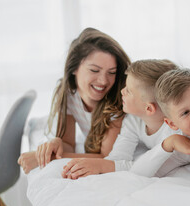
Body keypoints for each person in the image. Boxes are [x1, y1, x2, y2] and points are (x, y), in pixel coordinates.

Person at [18, 27, 131, 174]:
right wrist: (56, 144)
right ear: (74, 68)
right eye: (94, 70)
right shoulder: (69, 93)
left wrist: (46, 158)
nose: (103, 81)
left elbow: (106, 157)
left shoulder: (119, 100)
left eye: (112, 72)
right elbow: (68, 144)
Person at [61, 59, 182, 179]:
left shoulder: (174, 131)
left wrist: (100, 166)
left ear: (149, 108)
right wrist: (94, 164)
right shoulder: (133, 120)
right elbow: (118, 157)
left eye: (128, 91)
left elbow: (150, 168)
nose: (122, 91)